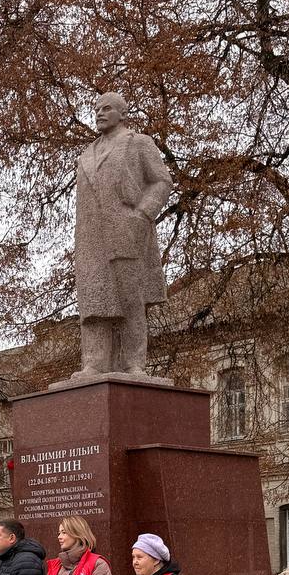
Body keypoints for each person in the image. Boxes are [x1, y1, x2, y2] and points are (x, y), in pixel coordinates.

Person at [73, 91, 172, 380]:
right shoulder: (86, 155)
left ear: (122, 113)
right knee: (94, 303)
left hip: (126, 233)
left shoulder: (138, 143)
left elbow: (162, 181)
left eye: (106, 109)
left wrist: (141, 215)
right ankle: (95, 362)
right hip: (91, 241)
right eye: (96, 110)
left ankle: (134, 363)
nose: (99, 114)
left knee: (130, 300)